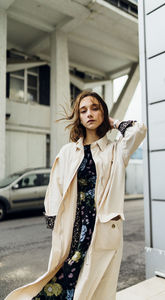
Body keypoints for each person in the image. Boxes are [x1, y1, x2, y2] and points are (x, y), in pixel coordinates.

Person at [5, 90, 147, 300]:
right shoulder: (68, 152)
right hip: (73, 226)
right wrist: (56, 221)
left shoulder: (116, 151)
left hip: (101, 227)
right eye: (83, 110)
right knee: (64, 279)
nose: (89, 113)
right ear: (78, 117)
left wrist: (112, 122)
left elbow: (139, 130)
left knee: (94, 286)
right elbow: (55, 187)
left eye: (95, 108)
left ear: (103, 113)